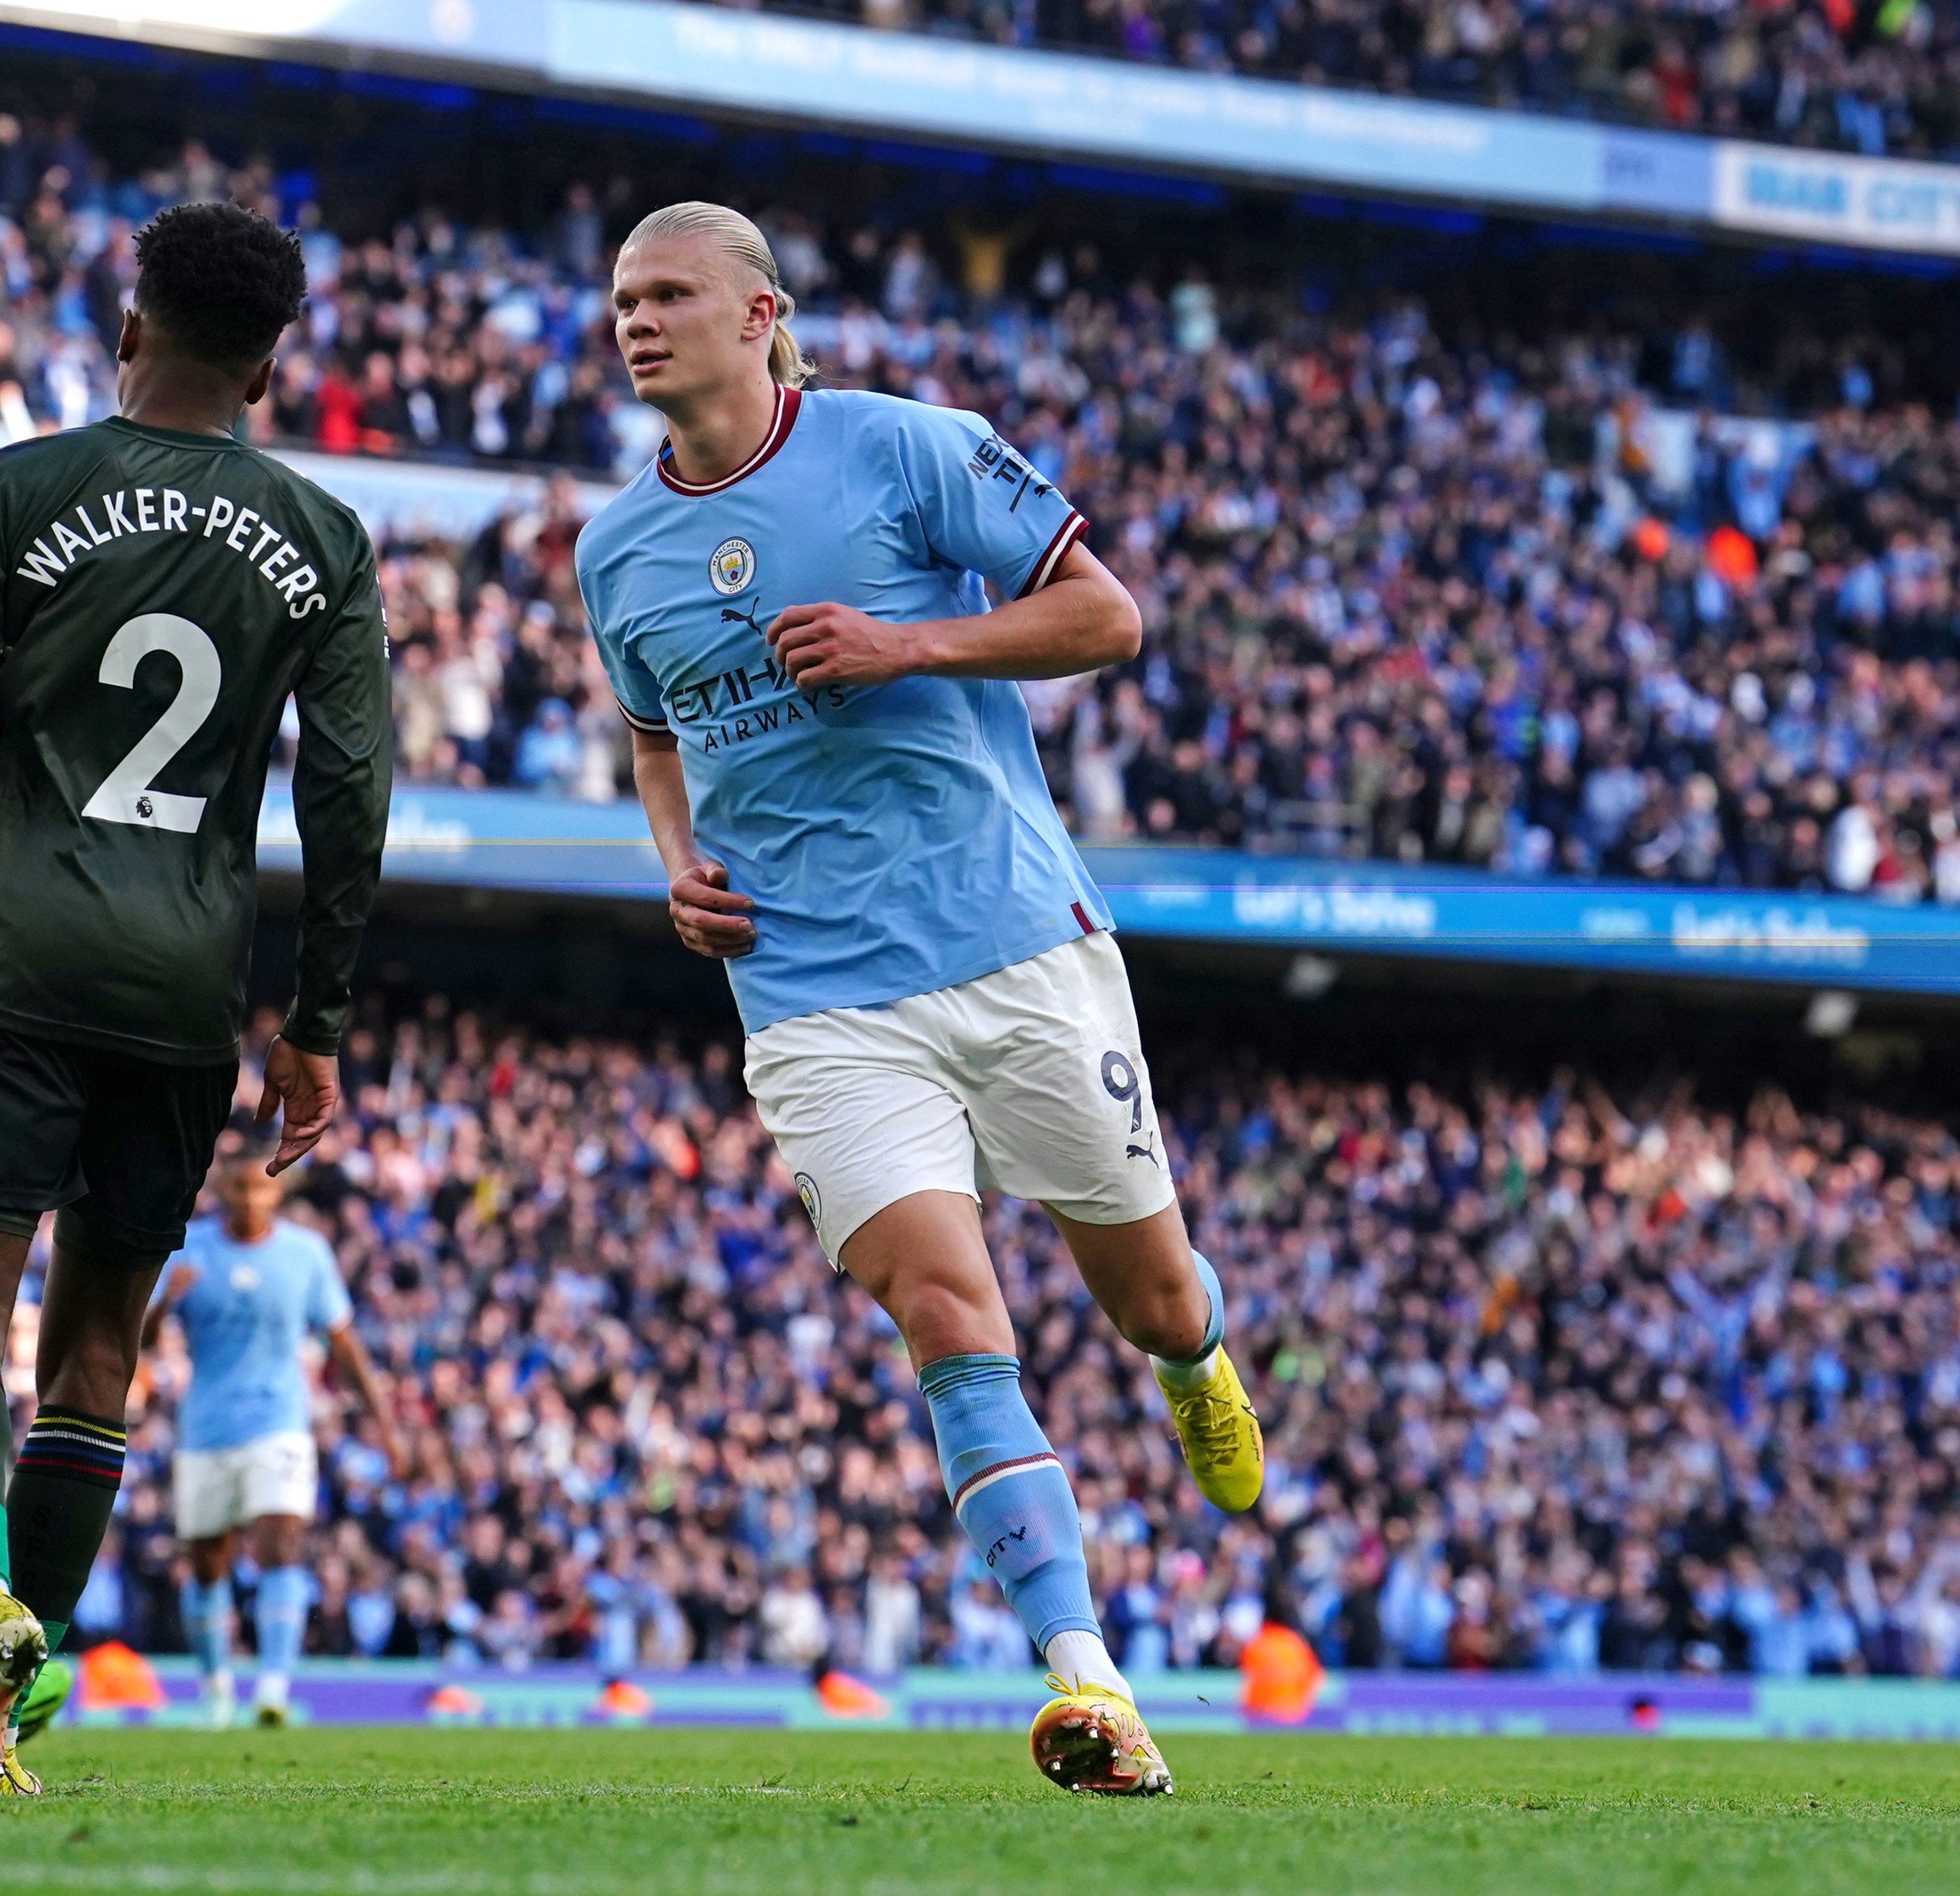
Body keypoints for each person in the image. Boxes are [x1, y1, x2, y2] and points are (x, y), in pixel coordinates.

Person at [574, 201, 1265, 1797]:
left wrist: (906, 644)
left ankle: (1195, 1358)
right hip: (811, 989)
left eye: (671, 293)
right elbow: (655, 730)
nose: (638, 319)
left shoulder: (905, 450)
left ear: (762, 315)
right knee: (949, 1312)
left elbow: (1108, 616)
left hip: (1012, 939)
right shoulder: (617, 550)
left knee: (1150, 1296)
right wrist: (674, 861)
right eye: (622, 299)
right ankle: (1091, 1684)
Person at [0, 197, 391, 1798]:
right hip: (185, 990)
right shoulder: (322, 537)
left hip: (24, 951)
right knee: (96, 1350)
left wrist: (20, 724)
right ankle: (6, 1688)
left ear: (130, 323)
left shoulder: (20, 487)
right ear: (272, 361)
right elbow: (353, 790)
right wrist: (315, 1023)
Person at [142, 1123, 404, 1727]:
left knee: (281, 1544)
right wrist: (164, 1303)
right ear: (221, 1189)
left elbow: (344, 1346)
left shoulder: (306, 1255)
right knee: (207, 1563)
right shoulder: (188, 1250)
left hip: (280, 1421)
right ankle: (215, 1691)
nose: (248, 1198)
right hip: (206, 1428)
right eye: (237, 1187)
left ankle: (274, 1689)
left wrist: (386, 1427)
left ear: (278, 1192)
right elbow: (145, 1342)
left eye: (259, 1189)